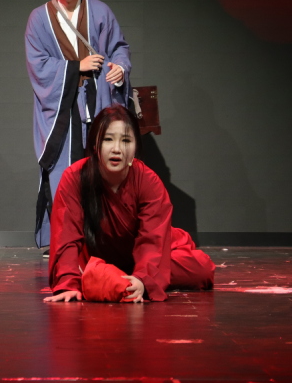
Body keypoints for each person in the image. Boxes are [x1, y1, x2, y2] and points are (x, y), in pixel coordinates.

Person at [45, 105, 215, 302]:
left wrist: (143, 278)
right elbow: (66, 234)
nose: (117, 149)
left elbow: (153, 238)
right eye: (108, 139)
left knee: (201, 269)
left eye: (126, 140)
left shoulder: (148, 181)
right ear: (95, 144)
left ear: (136, 147)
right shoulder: (75, 177)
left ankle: (125, 277)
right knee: (89, 272)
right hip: (97, 256)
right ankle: (117, 276)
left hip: (146, 256)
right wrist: (68, 283)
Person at [25, 0, 132, 249]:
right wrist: (76, 67)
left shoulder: (100, 11)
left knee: (103, 166)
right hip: (63, 105)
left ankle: (104, 237)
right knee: (64, 171)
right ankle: (64, 240)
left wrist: (120, 68)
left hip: (99, 97)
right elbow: (37, 63)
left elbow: (119, 47)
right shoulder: (39, 18)